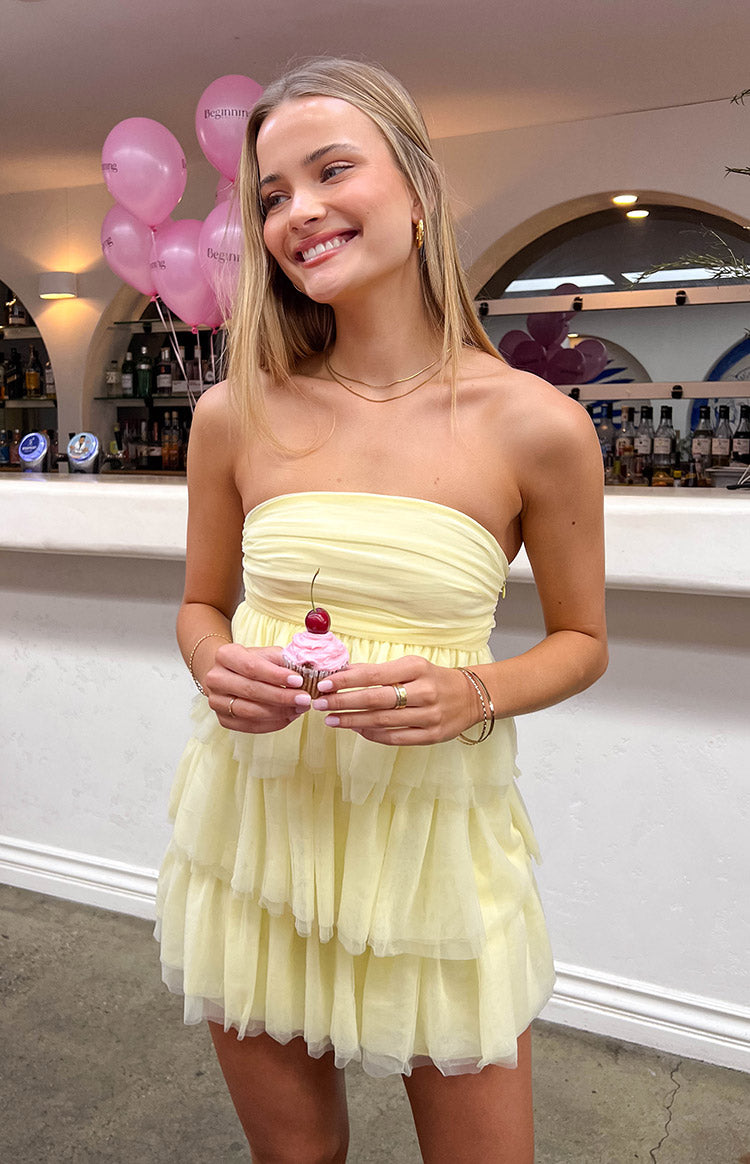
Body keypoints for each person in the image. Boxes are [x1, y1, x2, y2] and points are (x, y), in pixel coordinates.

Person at [154, 57, 607, 1164]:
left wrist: (474, 690)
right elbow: (200, 607)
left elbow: (583, 642)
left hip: (434, 844)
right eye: (270, 194)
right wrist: (215, 665)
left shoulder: (536, 426)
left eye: (331, 170)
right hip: (258, 832)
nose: (298, 211)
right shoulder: (233, 414)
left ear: (417, 184)